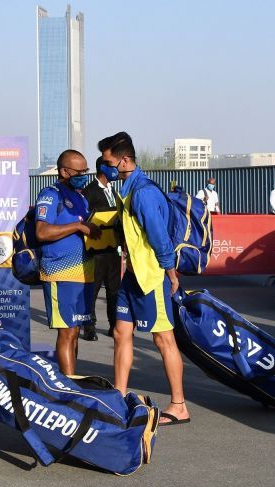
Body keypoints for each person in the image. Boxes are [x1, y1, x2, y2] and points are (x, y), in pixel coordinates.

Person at [98, 131, 190, 426]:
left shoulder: (144, 193)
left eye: (108, 161)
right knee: (120, 333)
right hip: (132, 276)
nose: (105, 166)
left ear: (124, 161)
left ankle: (179, 405)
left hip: (152, 277)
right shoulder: (126, 188)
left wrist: (170, 273)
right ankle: (118, 395)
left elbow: (159, 238)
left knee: (163, 339)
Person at [35, 149, 99, 375]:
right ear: (64, 171)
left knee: (75, 331)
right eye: (79, 171)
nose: (84, 175)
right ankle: (69, 386)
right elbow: (41, 232)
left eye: (86, 170)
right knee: (67, 333)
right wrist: (78, 227)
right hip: (59, 273)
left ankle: (74, 381)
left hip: (83, 273)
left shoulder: (80, 197)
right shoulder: (50, 195)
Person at [80, 156, 121, 341]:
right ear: (103, 168)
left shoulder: (113, 190)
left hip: (112, 248)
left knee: (114, 290)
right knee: (93, 290)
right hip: (95, 251)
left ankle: (114, 326)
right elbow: (83, 218)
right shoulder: (90, 191)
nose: (116, 170)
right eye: (112, 166)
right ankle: (89, 327)